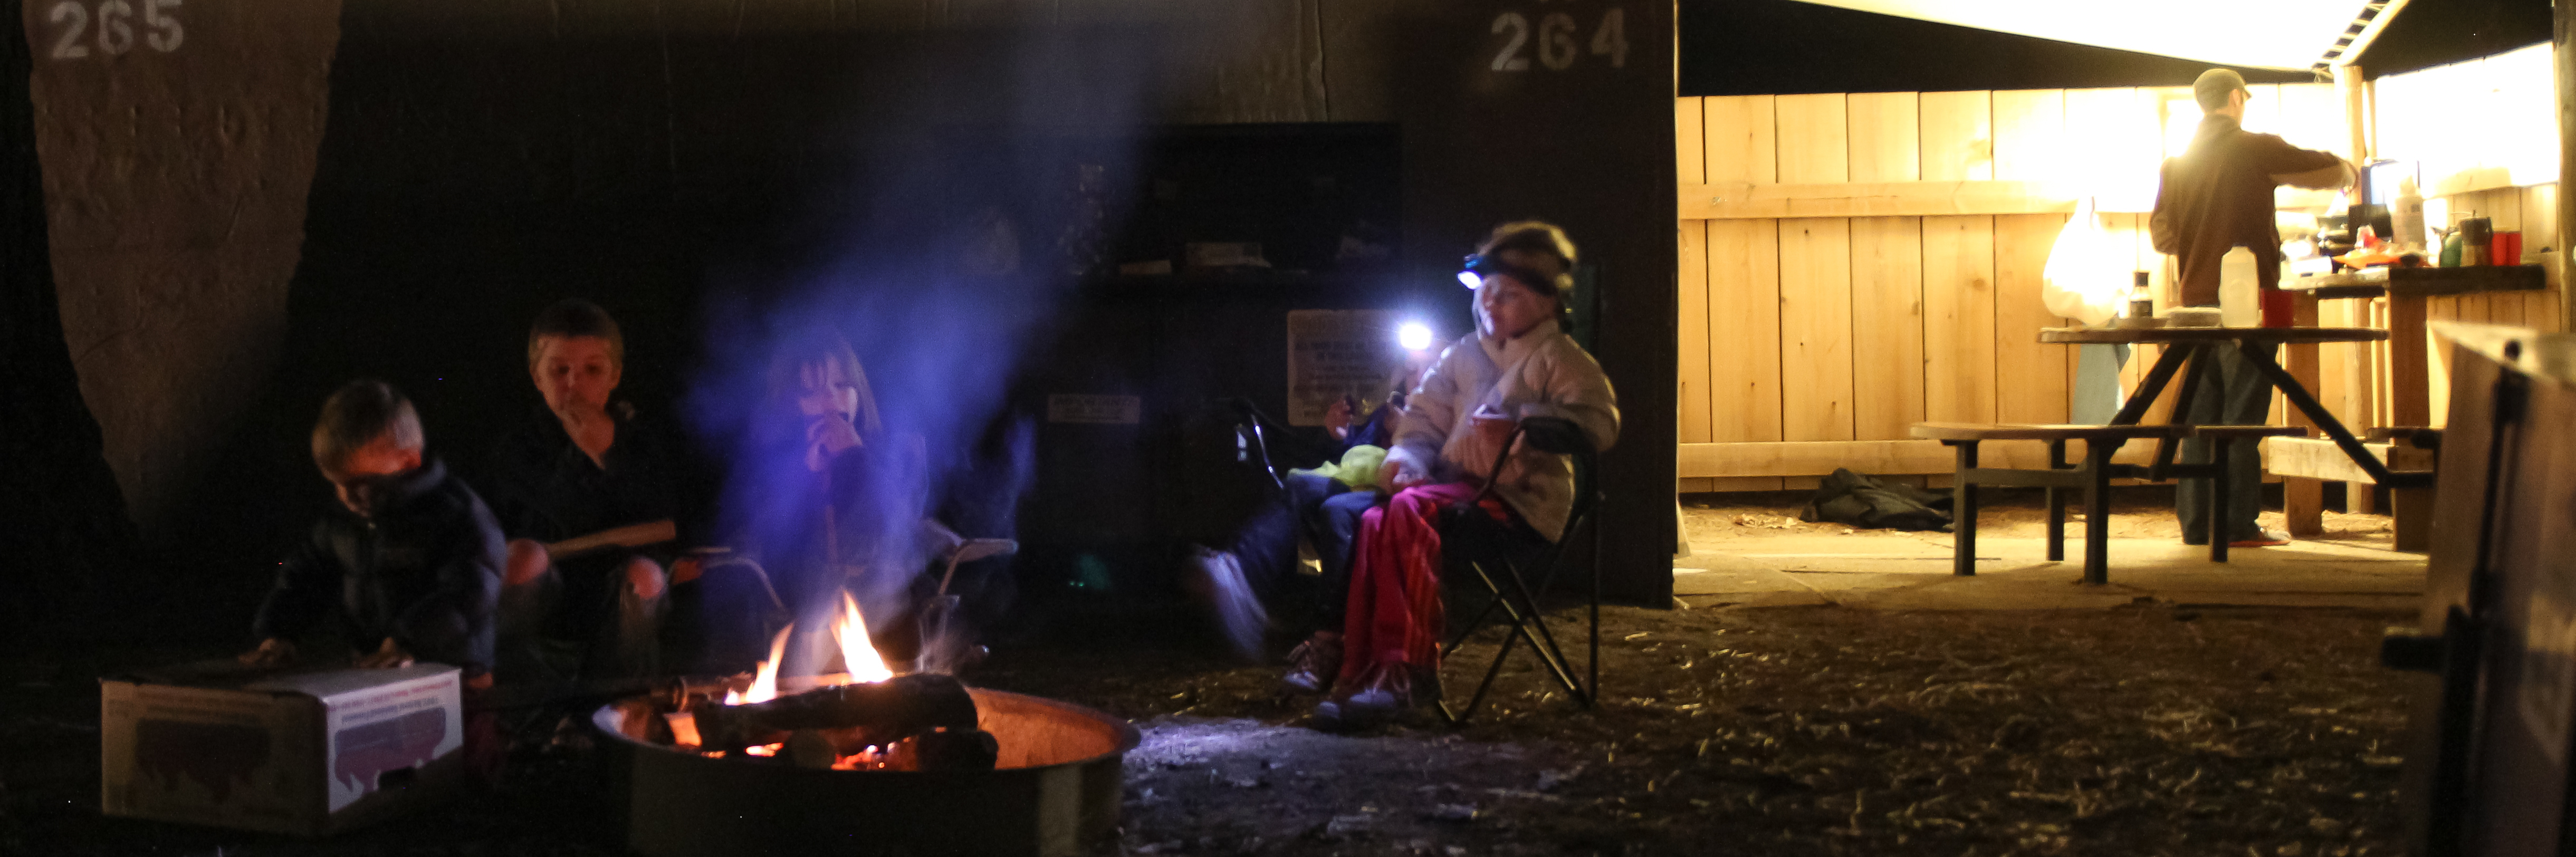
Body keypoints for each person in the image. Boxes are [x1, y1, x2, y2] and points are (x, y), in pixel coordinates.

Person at [1287, 222, 1620, 726]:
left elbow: (1599, 424)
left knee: (1409, 511)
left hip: (1523, 502)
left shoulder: (1562, 361)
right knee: (1375, 520)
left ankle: (1409, 668)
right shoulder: (1462, 355)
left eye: (1508, 294)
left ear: (1549, 302)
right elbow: (1421, 419)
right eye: (1486, 292)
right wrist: (1409, 459)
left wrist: (1528, 425)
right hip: (1462, 490)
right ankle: (1362, 670)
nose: (1492, 303)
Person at [2149, 69, 2354, 548]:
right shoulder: (2252, 147)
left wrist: (2200, 242)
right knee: (2241, 415)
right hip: (2246, 306)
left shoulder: (2174, 164)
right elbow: (2325, 169)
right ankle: (2238, 525)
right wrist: (2349, 170)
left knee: (2198, 418)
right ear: (2238, 98)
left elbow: (2162, 237)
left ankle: (2198, 526)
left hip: (2193, 304)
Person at [242, 380, 505, 687]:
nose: (348, 499)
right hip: (374, 673)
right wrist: (278, 631)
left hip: (455, 676)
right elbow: (304, 577)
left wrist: (409, 640)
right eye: (338, 484)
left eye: (362, 484)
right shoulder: (341, 522)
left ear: (409, 461)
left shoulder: (457, 514)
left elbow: (470, 591)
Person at [485, 300, 691, 682]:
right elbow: (559, 514)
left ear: (614, 376)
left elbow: (663, 518)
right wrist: (588, 454)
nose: (573, 384)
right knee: (522, 558)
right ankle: (519, 708)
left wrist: (611, 455)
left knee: (645, 574)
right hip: (550, 590)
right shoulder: (519, 447)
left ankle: (610, 710)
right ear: (537, 376)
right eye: (559, 370)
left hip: (620, 592)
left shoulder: (642, 441)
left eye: (591, 370)